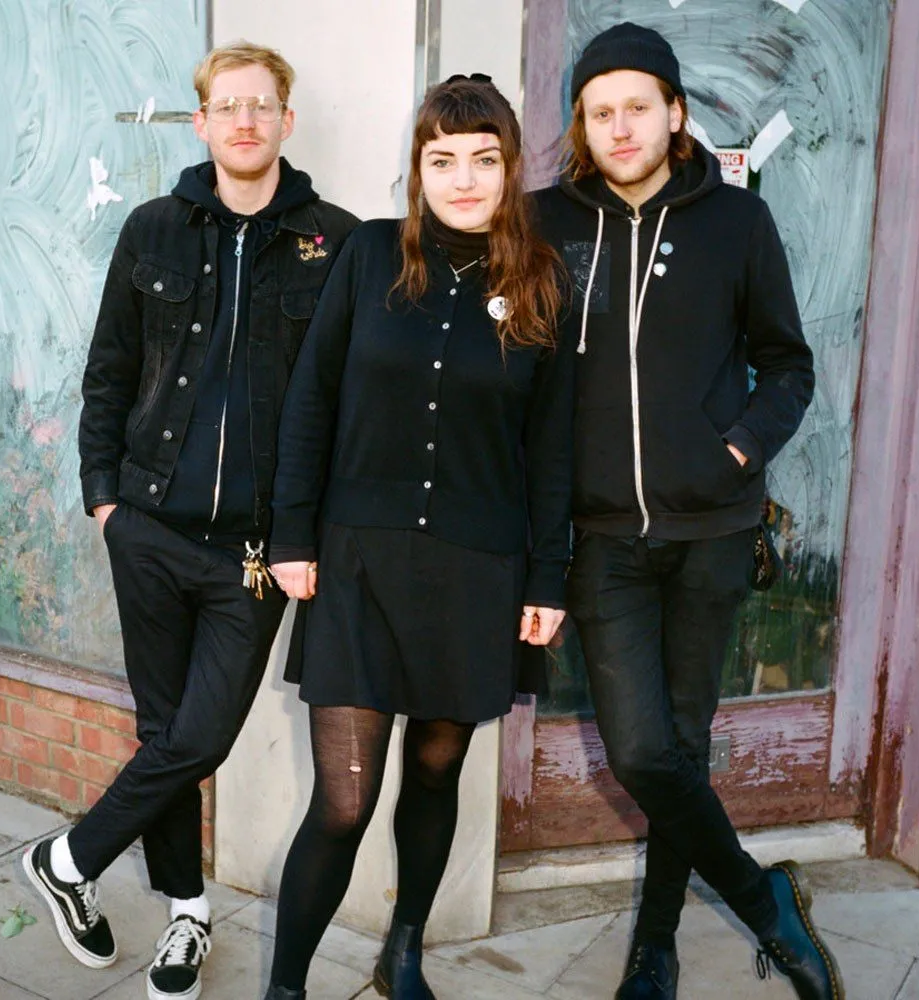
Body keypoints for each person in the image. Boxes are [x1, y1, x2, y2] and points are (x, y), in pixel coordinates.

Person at [24, 41, 357, 1000]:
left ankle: (67, 860)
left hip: (253, 553)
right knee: (163, 731)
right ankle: (188, 917)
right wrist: (105, 500)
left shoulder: (336, 241)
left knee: (197, 739)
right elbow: (109, 371)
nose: (246, 120)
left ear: (286, 121)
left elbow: (340, 403)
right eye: (227, 105)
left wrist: (305, 535)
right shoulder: (153, 229)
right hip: (148, 528)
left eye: (263, 105)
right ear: (202, 121)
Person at [532, 23, 837, 1000]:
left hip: (712, 533)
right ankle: (761, 898)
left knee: (682, 743)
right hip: (603, 541)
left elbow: (787, 364)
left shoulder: (736, 223)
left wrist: (735, 448)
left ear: (675, 112)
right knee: (641, 750)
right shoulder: (546, 225)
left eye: (637, 106)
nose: (620, 127)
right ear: (582, 125)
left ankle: (654, 947)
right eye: (600, 111)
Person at [260, 74, 573, 1000]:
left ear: (509, 169)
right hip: (359, 564)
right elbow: (310, 400)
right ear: (418, 168)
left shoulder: (541, 280)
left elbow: (551, 448)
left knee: (437, 776)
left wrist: (548, 579)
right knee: (344, 800)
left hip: (477, 572)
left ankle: (403, 952)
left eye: (483, 160)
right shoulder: (367, 255)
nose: (463, 180)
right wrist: (290, 535)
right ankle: (285, 988)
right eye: (443, 161)